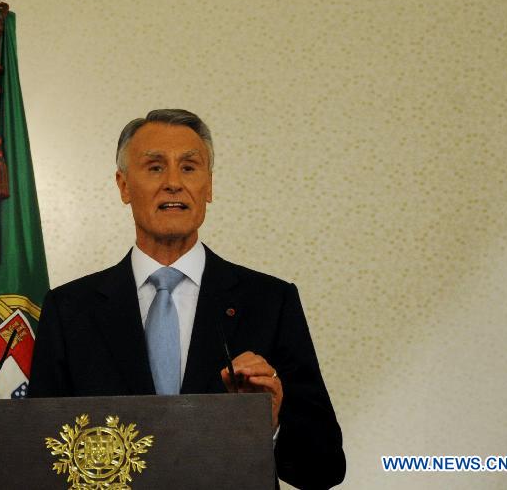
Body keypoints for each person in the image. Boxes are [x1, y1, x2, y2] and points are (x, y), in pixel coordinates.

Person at [28, 109, 345, 489]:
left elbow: (324, 468)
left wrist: (272, 423)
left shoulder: (270, 301)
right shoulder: (70, 310)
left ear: (208, 187)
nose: (174, 183)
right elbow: (38, 455)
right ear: (123, 186)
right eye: (155, 168)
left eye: (190, 168)